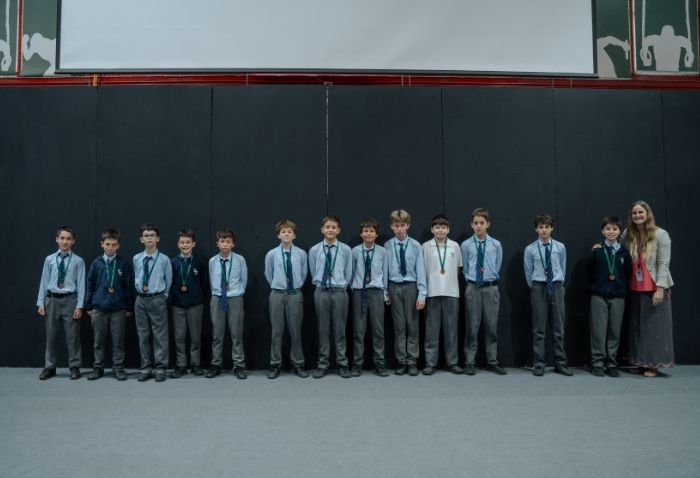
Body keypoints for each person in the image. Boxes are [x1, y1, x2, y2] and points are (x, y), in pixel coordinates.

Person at [623, 201, 674, 377]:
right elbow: (616, 246)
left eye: (640, 212)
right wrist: (601, 246)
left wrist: (660, 288)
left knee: (655, 329)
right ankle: (640, 362)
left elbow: (664, 263)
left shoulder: (661, 234)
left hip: (654, 288)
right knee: (638, 328)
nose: (637, 215)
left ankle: (653, 365)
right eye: (634, 213)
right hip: (636, 288)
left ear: (648, 214)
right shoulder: (628, 234)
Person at [523, 214, 573, 377]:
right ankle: (539, 363)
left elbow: (563, 267)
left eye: (547, 227)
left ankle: (560, 363)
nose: (544, 230)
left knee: (558, 328)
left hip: (556, 286)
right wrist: (535, 286)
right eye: (541, 227)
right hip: (538, 287)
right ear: (536, 229)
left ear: (552, 228)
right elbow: (528, 272)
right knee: (539, 329)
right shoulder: (530, 249)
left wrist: (558, 283)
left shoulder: (560, 247)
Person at [36, 226, 86, 380]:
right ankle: (49, 367)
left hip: (70, 300)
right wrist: (41, 302)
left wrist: (79, 305)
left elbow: (81, 284)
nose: (65, 241)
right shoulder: (50, 259)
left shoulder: (78, 261)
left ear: (73, 241)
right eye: (62, 238)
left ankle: (74, 366)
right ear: (57, 239)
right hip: (52, 300)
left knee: (73, 336)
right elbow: (44, 281)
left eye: (68, 239)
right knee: (51, 335)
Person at [461, 208, 506, 376]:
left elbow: (497, 265)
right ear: (471, 225)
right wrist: (473, 280)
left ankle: (492, 361)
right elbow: (465, 267)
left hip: (491, 288)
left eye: (482, 223)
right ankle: (469, 362)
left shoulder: (496, 245)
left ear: (488, 224)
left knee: (491, 326)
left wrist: (488, 278)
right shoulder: (466, 245)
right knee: (472, 327)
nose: (478, 226)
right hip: (473, 288)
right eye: (476, 223)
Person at [85, 229, 134, 381]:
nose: (110, 247)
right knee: (98, 341)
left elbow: (128, 287)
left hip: (118, 309)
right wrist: (88, 306)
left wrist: (129, 307)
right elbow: (90, 285)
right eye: (107, 244)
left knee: (118, 342)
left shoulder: (123, 264)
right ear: (102, 244)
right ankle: (98, 368)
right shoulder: (96, 264)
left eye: (113, 245)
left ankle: (118, 368)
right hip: (99, 308)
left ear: (118, 245)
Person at [308, 215, 353, 379]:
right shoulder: (314, 250)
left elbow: (349, 273)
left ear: (338, 230)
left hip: (340, 292)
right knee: (323, 329)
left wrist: (341, 286)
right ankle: (323, 364)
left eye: (334, 227)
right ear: (322, 230)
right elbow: (313, 271)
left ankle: (342, 364)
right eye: (327, 227)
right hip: (322, 291)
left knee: (340, 330)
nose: (330, 230)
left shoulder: (346, 250)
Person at [264, 219, 309, 379]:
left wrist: (294, 287)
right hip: (277, 294)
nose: (286, 234)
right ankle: (275, 364)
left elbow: (303, 273)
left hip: (295, 294)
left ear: (294, 235)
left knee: (295, 331)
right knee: (276, 332)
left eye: (289, 232)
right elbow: (269, 274)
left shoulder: (301, 254)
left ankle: (298, 363)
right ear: (278, 235)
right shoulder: (271, 254)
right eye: (283, 231)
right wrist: (279, 286)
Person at [384, 209, 427, 376]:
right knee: (399, 327)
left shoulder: (415, 245)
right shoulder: (387, 246)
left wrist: (422, 294)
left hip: (411, 286)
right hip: (394, 287)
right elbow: (385, 271)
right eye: (396, 225)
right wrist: (385, 292)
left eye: (402, 225)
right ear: (391, 226)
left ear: (408, 225)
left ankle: (412, 361)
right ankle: (401, 360)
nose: (399, 228)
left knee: (412, 325)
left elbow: (421, 270)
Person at [588, 216, 631, 377]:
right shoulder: (597, 251)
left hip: (618, 296)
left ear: (619, 231)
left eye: (614, 229)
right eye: (608, 229)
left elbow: (628, 274)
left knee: (614, 331)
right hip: (599, 296)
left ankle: (612, 363)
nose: (611, 232)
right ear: (602, 231)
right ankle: (597, 363)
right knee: (598, 332)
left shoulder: (624, 253)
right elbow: (589, 274)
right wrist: (596, 287)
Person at [421, 214, 462, 375]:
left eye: (443, 227)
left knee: (451, 329)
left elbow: (458, 268)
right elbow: (422, 270)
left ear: (448, 230)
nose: (440, 230)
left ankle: (452, 362)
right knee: (431, 330)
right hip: (432, 292)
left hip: (451, 293)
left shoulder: (455, 246)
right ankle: (430, 363)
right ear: (432, 229)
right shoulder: (425, 246)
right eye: (437, 227)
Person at [133, 223, 172, 382]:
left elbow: (168, 280)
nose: (149, 238)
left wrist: (163, 296)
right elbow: (136, 276)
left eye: (152, 235)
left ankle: (160, 367)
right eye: (146, 235)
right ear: (141, 239)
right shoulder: (137, 258)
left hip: (157, 298)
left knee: (160, 335)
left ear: (158, 238)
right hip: (141, 299)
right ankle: (145, 367)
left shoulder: (164, 259)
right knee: (143, 335)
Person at [350, 219, 389, 377]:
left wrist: (385, 293)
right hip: (360, 292)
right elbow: (351, 272)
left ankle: (379, 363)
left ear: (376, 234)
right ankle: (357, 363)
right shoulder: (355, 251)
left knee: (378, 330)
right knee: (359, 331)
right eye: (365, 231)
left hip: (376, 292)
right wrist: (354, 288)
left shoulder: (382, 252)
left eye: (372, 231)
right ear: (361, 233)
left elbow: (385, 273)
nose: (368, 234)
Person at [206, 229, 248, 379]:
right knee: (217, 333)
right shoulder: (212, 261)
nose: (225, 244)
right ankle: (216, 364)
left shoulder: (240, 260)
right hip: (218, 298)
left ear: (233, 244)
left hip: (235, 298)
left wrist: (237, 292)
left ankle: (239, 365)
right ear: (217, 243)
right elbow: (211, 279)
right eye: (222, 241)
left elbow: (243, 279)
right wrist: (218, 293)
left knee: (236, 333)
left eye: (228, 242)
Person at [169, 229, 207, 378]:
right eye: (182, 242)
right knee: (179, 337)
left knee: (195, 336)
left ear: (193, 244)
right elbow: (170, 283)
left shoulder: (199, 262)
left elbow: (204, 284)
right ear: (178, 244)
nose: (185, 245)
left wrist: (199, 297)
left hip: (195, 304)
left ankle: (196, 364)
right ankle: (181, 365)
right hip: (178, 305)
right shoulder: (172, 262)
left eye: (188, 242)